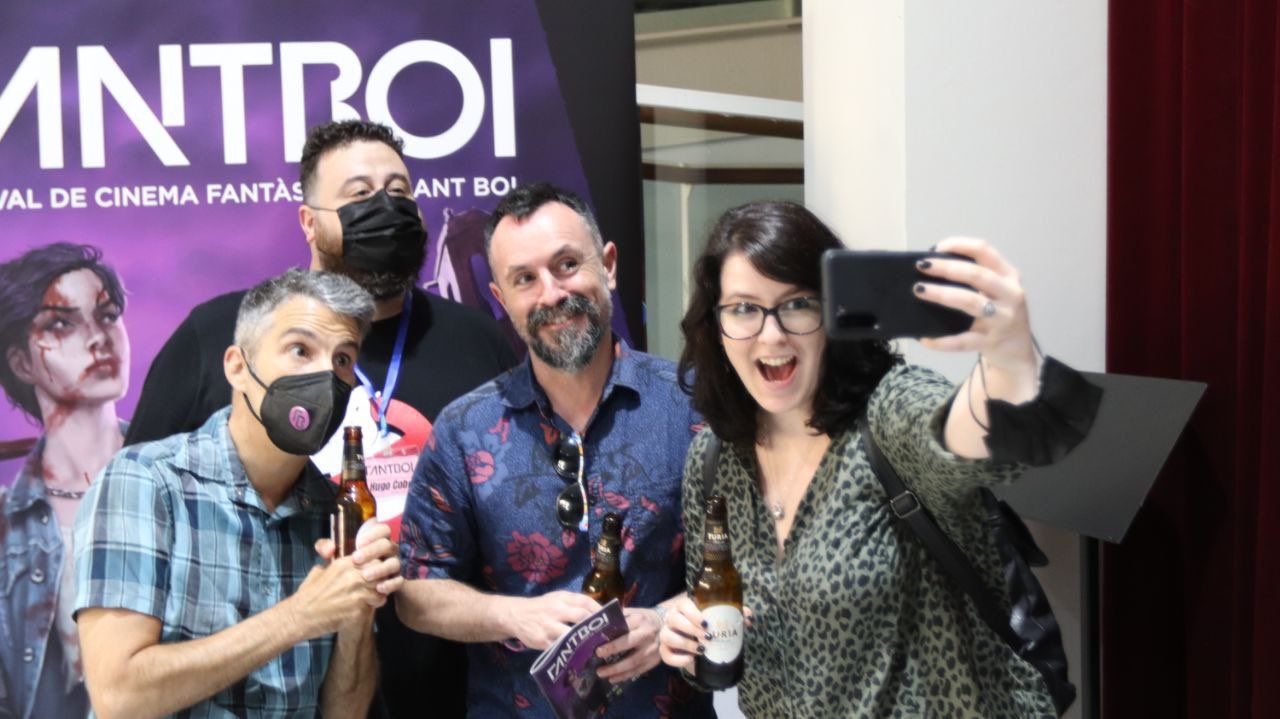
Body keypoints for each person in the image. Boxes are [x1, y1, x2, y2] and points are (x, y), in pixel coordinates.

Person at [123, 119, 517, 717]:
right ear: (309, 221)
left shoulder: (477, 342)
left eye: (399, 191)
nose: (386, 208)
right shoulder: (223, 336)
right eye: (359, 196)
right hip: (274, 689)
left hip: (450, 687)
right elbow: (138, 517)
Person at [657, 201, 1097, 717]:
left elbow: (959, 443)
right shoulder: (713, 459)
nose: (771, 334)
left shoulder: (886, 415)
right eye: (744, 308)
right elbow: (725, 623)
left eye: (797, 303)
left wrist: (1009, 361)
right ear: (716, 323)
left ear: (835, 313)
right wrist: (688, 641)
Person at [395, 182, 715, 718]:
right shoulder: (464, 429)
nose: (550, 294)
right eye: (524, 279)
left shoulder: (695, 407)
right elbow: (416, 594)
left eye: (567, 264)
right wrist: (513, 617)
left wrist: (663, 621)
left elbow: (752, 567)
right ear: (501, 299)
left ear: (608, 265)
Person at [73, 268, 403, 717]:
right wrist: (301, 616)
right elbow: (120, 696)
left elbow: (344, 711)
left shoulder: (332, 511)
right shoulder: (145, 481)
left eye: (343, 359)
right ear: (237, 368)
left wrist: (356, 610)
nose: (326, 375)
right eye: (300, 350)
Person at [0, 243, 131, 719]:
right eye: (61, 322)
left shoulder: (182, 479)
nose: (99, 338)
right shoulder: (6, 523)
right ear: (20, 363)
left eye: (108, 314)